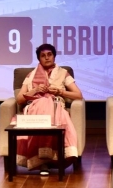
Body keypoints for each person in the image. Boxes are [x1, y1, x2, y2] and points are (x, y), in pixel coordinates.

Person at [11, 43, 83, 171]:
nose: (47, 58)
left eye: (49, 54)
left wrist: (60, 92)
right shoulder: (31, 75)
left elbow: (78, 95)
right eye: (43, 55)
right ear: (39, 59)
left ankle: (48, 159)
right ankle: (41, 160)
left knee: (49, 104)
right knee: (43, 103)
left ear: (54, 57)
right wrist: (35, 90)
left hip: (56, 107)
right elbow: (20, 99)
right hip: (35, 106)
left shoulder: (63, 73)